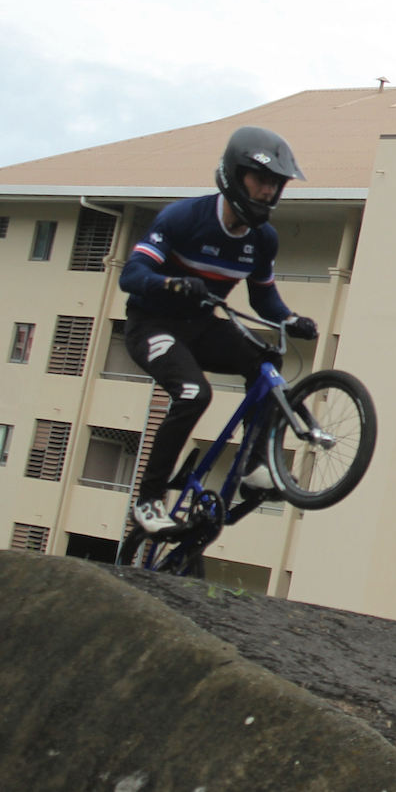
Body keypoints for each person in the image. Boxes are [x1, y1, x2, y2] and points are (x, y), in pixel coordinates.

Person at [122, 126, 319, 534]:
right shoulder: (184, 217)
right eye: (261, 180)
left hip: (201, 327)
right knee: (195, 393)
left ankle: (252, 465)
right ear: (234, 175)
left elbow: (264, 300)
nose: (268, 191)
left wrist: (291, 320)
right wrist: (170, 283)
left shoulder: (263, 239)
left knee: (266, 361)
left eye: (276, 184)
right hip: (152, 326)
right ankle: (148, 502)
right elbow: (132, 274)